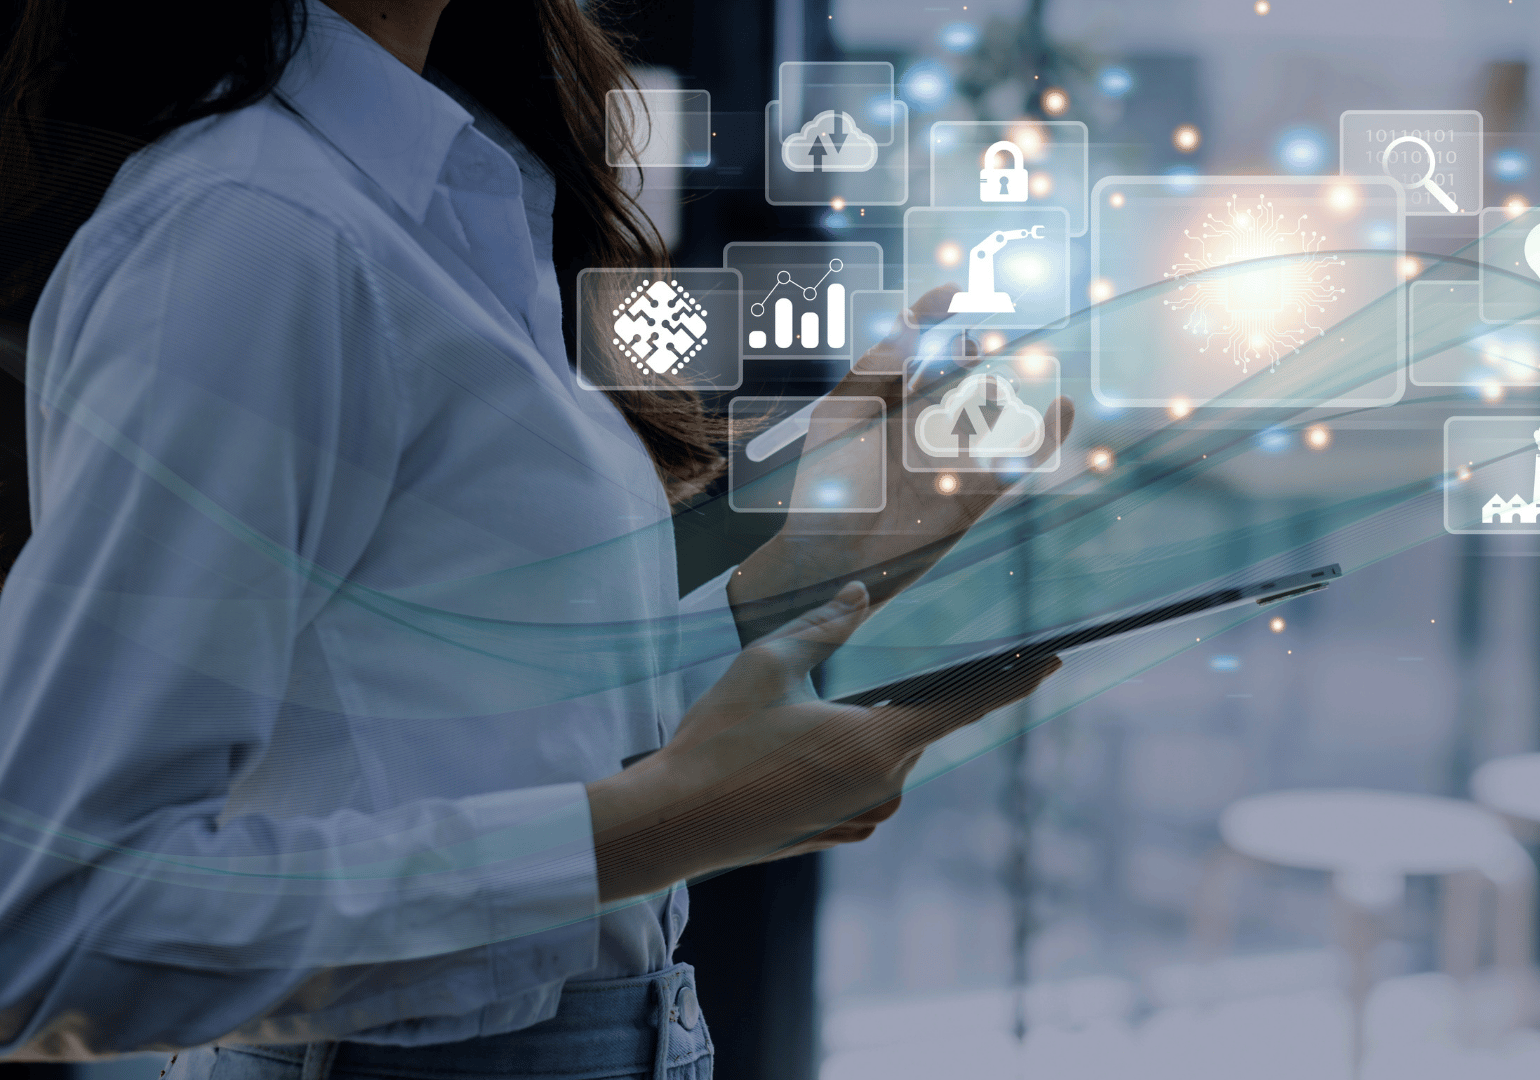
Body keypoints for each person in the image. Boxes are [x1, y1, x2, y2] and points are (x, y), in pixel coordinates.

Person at [0, 0, 1070, 1073]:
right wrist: (649, 829)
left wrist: (806, 570)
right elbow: (53, 933)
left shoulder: (440, 196)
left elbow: (458, 734)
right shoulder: (253, 229)